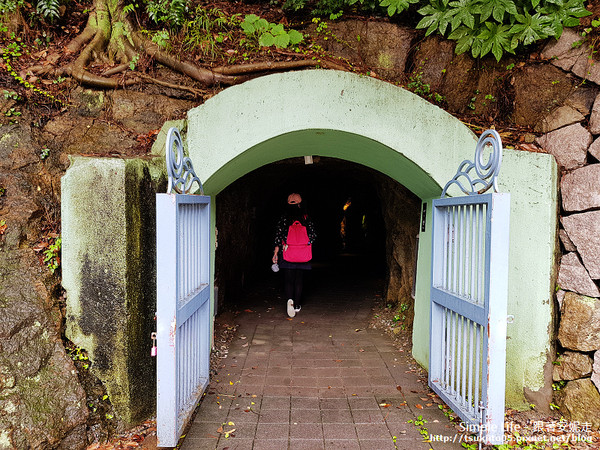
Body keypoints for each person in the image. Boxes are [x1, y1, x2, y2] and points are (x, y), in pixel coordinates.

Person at [272, 193, 316, 318]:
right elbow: (313, 236)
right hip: (303, 253)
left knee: (289, 280)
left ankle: (289, 300)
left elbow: (278, 237)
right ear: (300, 204)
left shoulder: (284, 218)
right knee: (299, 280)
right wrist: (306, 243)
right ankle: (297, 305)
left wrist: (276, 253)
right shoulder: (306, 218)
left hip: (288, 252)